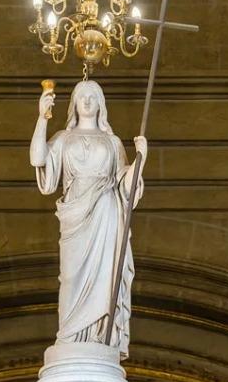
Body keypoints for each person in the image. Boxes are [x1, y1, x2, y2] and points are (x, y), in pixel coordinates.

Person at [30, 80, 147, 357]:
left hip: (106, 216)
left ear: (101, 104)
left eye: (92, 96)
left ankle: (98, 336)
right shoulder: (63, 138)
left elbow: (125, 188)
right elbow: (38, 159)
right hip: (74, 218)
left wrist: (141, 158)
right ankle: (71, 337)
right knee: (70, 279)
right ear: (73, 103)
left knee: (104, 277)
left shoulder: (112, 142)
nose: (86, 101)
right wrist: (42, 118)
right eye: (81, 96)